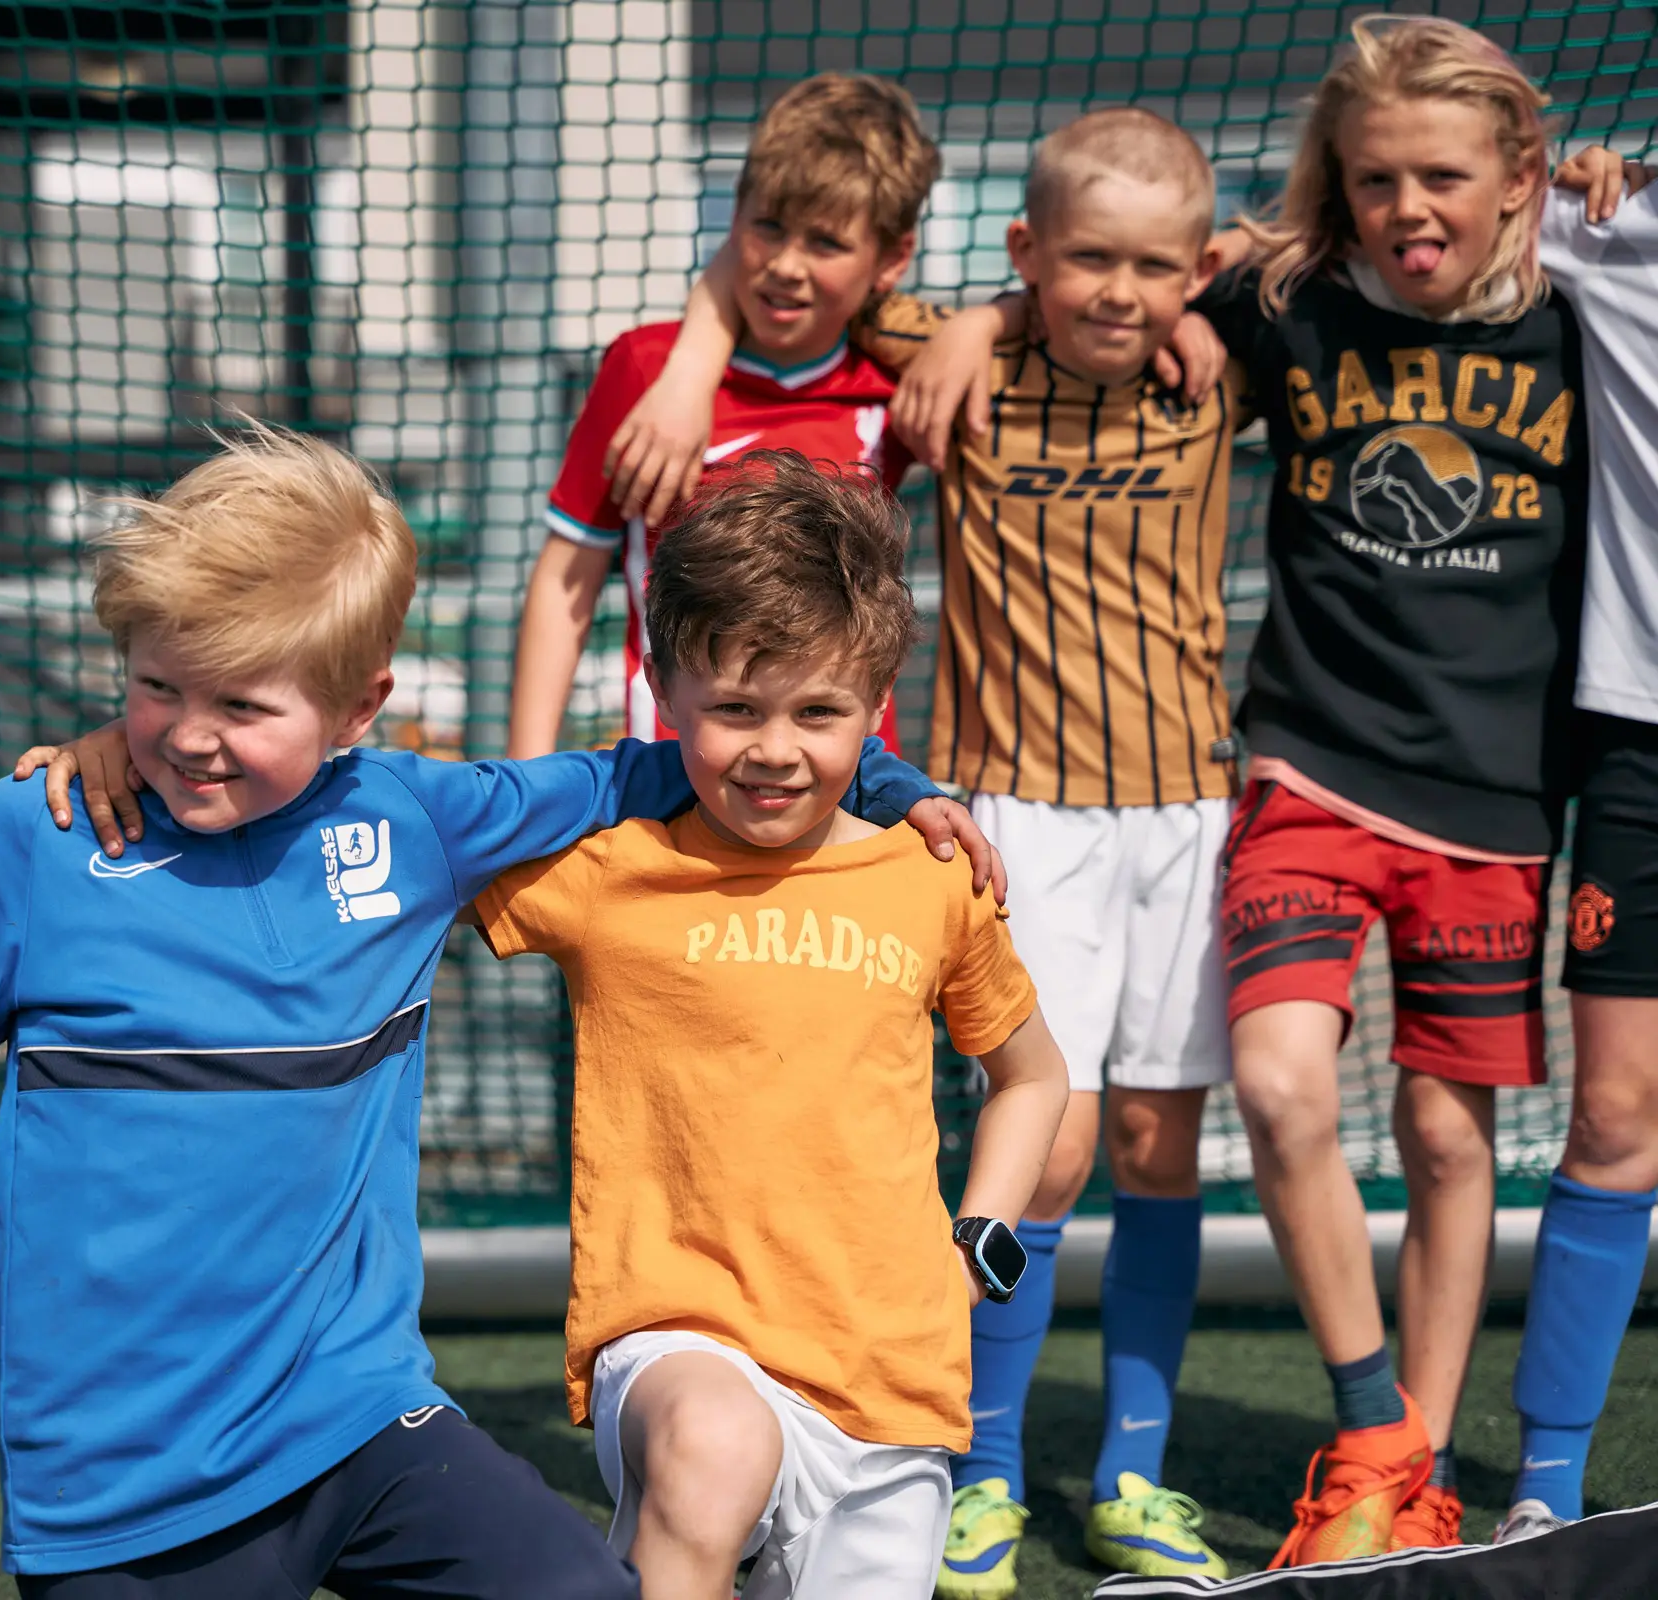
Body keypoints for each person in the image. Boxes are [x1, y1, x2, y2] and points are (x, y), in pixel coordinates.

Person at [0, 423, 996, 1598]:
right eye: (157, 687)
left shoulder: (411, 818)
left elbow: (667, 765)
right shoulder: (39, 834)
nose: (189, 736)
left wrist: (888, 778)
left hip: (362, 1419)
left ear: (356, 708)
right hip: (116, 1483)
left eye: (242, 705)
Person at [960, 17, 1581, 1568]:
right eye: (1375, 178)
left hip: (1496, 800)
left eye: (1445, 175)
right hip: (1295, 765)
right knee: (1277, 1087)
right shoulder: (1279, 307)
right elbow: (1121, 256)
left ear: (1518, 178)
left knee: (1447, 1142)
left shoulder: (1586, 314)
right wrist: (979, 314)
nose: (1408, 206)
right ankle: (1349, 1421)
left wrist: (1602, 194)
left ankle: (1413, 1471)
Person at [602, 109, 1242, 1595]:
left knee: (1157, 1141)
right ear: (1023, 258)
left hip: (1186, 804)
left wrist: (1205, 300)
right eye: (1083, 262)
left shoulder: (1220, 363)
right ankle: (986, 1465)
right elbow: (791, 266)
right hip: (1017, 796)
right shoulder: (951, 358)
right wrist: (719, 356)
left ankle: (1131, 1472)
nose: (1122, 290)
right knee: (1054, 1138)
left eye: (1161, 269)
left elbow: (1296, 260)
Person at [477, 451, 1070, 1600]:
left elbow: (1033, 1078)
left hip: (890, 1376)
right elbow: (387, 847)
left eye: (818, 712)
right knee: (714, 1449)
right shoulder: (607, 868)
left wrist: (979, 1246)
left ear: (876, 709)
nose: (774, 748)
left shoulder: (932, 873)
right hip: (678, 1344)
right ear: (667, 691)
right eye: (734, 708)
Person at [507, 71, 939, 761]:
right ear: (734, 217)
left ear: (891, 259)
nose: (787, 266)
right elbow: (568, 578)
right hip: (670, 778)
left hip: (840, 781)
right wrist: (523, 776)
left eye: (825, 243)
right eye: (768, 226)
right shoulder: (647, 370)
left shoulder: (897, 385)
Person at [1496, 150, 1658, 1547]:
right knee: (1612, 1117)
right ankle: (1545, 1495)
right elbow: (1370, 184)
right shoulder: (1598, 225)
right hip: (1640, 745)